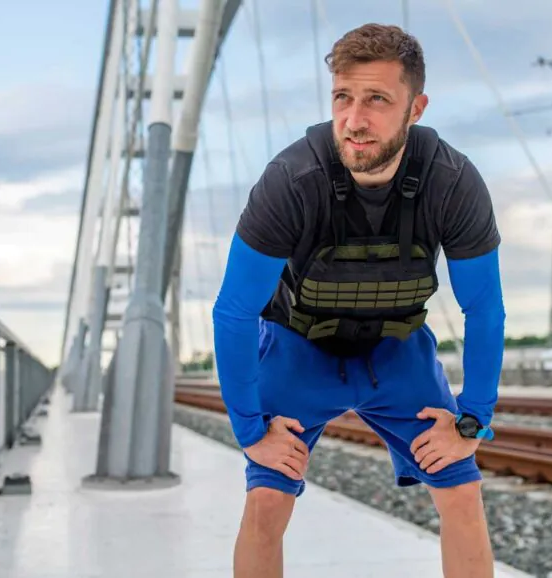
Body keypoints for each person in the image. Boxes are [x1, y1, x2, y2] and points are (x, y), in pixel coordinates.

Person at [212, 23, 505, 578]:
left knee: (463, 494)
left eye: (377, 99)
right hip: (300, 348)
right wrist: (250, 432)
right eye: (342, 97)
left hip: (396, 353)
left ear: (415, 108)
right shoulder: (291, 179)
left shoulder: (451, 181)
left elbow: (484, 310)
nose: (354, 119)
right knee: (266, 502)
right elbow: (234, 311)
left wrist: (472, 421)